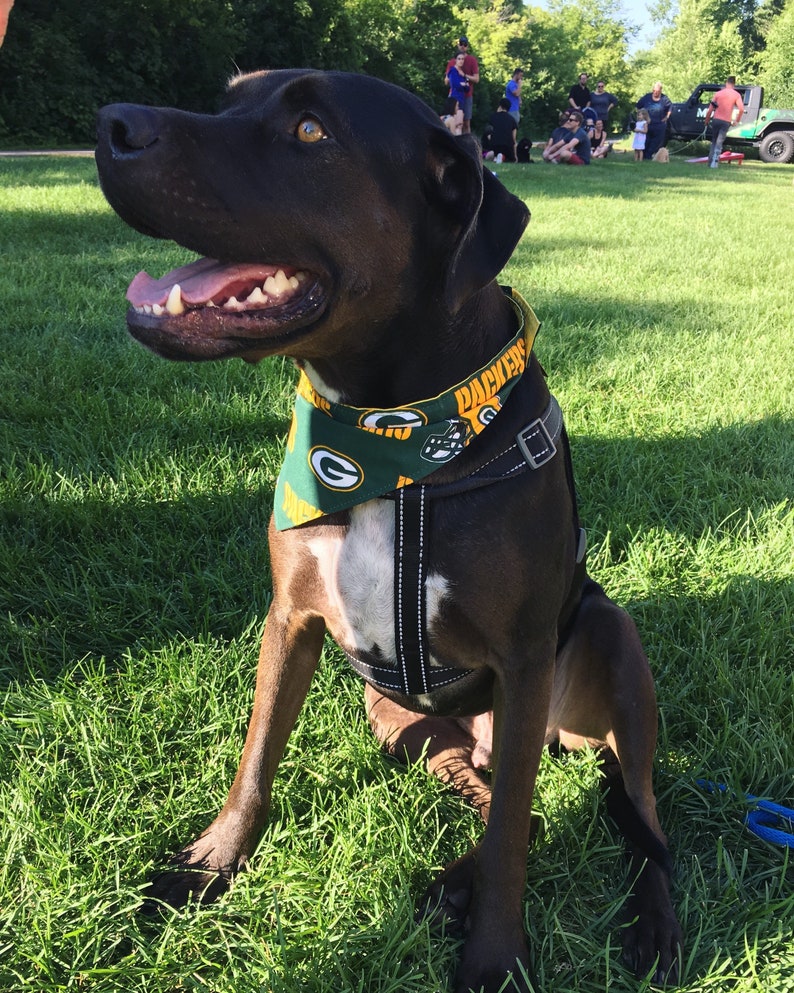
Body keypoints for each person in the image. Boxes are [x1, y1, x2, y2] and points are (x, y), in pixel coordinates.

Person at [703, 75, 745, 168]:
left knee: (714, 141)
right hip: (726, 121)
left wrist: (706, 120)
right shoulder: (736, 95)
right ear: (734, 84)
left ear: (726, 83)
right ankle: (715, 162)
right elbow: (741, 109)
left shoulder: (718, 94)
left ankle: (710, 162)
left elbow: (710, 110)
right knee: (720, 142)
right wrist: (736, 121)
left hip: (716, 119)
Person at [445, 37, 479, 134]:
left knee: (465, 123)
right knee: (453, 121)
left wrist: (464, 76)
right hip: (454, 95)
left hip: (466, 96)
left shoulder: (472, 60)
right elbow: (448, 81)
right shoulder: (452, 63)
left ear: (467, 46)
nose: (463, 46)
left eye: (465, 44)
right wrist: (454, 79)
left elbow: (476, 79)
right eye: (461, 44)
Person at [635, 82, 672, 160]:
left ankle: (649, 156)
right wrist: (641, 117)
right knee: (645, 141)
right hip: (647, 124)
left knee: (655, 142)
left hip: (659, 125)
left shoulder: (664, 99)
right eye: (654, 91)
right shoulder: (647, 97)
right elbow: (638, 106)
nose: (655, 92)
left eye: (657, 91)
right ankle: (643, 156)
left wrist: (667, 117)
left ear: (661, 91)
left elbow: (670, 107)